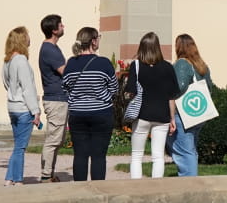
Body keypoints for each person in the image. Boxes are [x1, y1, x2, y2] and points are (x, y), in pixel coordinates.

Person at [62, 26, 118, 181]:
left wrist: (77, 99)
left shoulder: (71, 63)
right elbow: (114, 89)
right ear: (93, 41)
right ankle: (98, 189)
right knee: (99, 156)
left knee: (80, 155)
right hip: (102, 113)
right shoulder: (104, 63)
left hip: (77, 114)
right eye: (98, 37)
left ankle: (80, 190)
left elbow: (65, 87)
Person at [127, 32, 179, 179]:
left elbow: (131, 92)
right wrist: (172, 118)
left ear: (141, 47)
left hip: (141, 114)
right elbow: (171, 97)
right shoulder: (167, 67)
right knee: (158, 157)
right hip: (162, 116)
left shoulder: (136, 66)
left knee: (137, 156)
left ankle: (136, 189)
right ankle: (156, 188)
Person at [167, 33, 212, 177]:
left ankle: (189, 185)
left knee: (185, 152)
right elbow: (209, 88)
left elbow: (177, 88)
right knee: (190, 150)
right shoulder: (201, 65)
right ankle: (192, 180)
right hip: (198, 114)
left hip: (183, 115)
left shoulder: (182, 63)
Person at [1, 26, 41, 186]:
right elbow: (27, 88)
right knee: (20, 147)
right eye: (28, 36)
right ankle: (17, 179)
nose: (30, 39)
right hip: (24, 108)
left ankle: (9, 178)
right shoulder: (21, 61)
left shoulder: (7, 60)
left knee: (18, 145)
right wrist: (36, 111)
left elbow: (6, 83)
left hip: (12, 107)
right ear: (22, 40)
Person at [38, 13, 68, 182]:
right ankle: (45, 175)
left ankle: (49, 173)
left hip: (58, 98)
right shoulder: (50, 49)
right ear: (54, 30)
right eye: (61, 25)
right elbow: (65, 71)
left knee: (57, 139)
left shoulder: (52, 48)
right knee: (53, 139)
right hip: (56, 99)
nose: (63, 26)